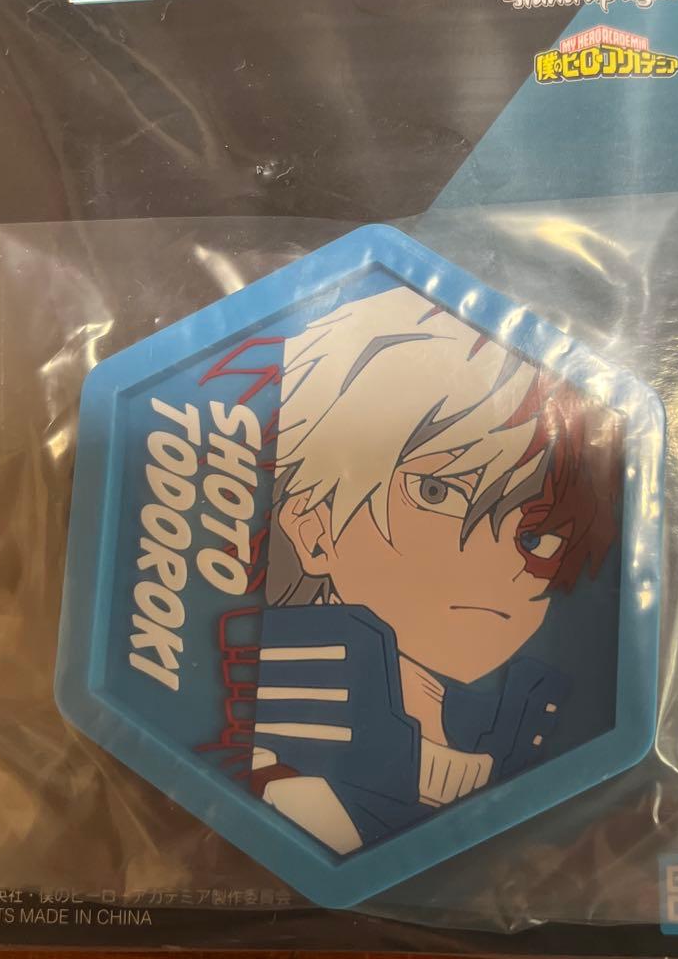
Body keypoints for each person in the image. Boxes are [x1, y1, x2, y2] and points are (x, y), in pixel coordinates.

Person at [247, 284, 621, 854]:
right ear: (312, 524)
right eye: (436, 492)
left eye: (534, 535)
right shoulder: (280, 762)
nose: (498, 563)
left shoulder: (525, 742)